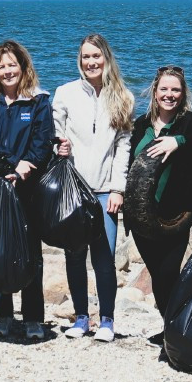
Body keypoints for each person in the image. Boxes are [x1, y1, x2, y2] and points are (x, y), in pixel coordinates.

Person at [0, 41, 53, 341]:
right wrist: (4, 165)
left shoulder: (38, 100)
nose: (7, 71)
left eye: (12, 65)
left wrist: (25, 165)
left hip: (27, 187)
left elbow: (43, 140)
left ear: (23, 67)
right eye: (2, 66)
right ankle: (2, 314)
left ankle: (32, 318)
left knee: (30, 252)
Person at [51, 34, 134, 343]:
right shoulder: (66, 93)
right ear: (80, 60)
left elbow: (123, 149)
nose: (91, 62)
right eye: (86, 57)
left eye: (96, 56)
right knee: (74, 255)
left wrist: (118, 189)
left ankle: (108, 320)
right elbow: (54, 130)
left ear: (106, 58)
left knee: (104, 258)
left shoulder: (122, 96)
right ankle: (82, 317)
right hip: (73, 189)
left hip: (104, 192)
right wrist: (58, 144)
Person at [124, 65, 192, 339]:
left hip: (175, 216)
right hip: (140, 217)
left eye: (175, 90)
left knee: (169, 272)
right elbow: (126, 162)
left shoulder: (191, 122)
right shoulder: (141, 125)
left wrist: (178, 141)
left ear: (183, 94)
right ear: (154, 91)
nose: (169, 95)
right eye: (164, 89)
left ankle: (179, 328)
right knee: (158, 274)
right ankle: (170, 327)